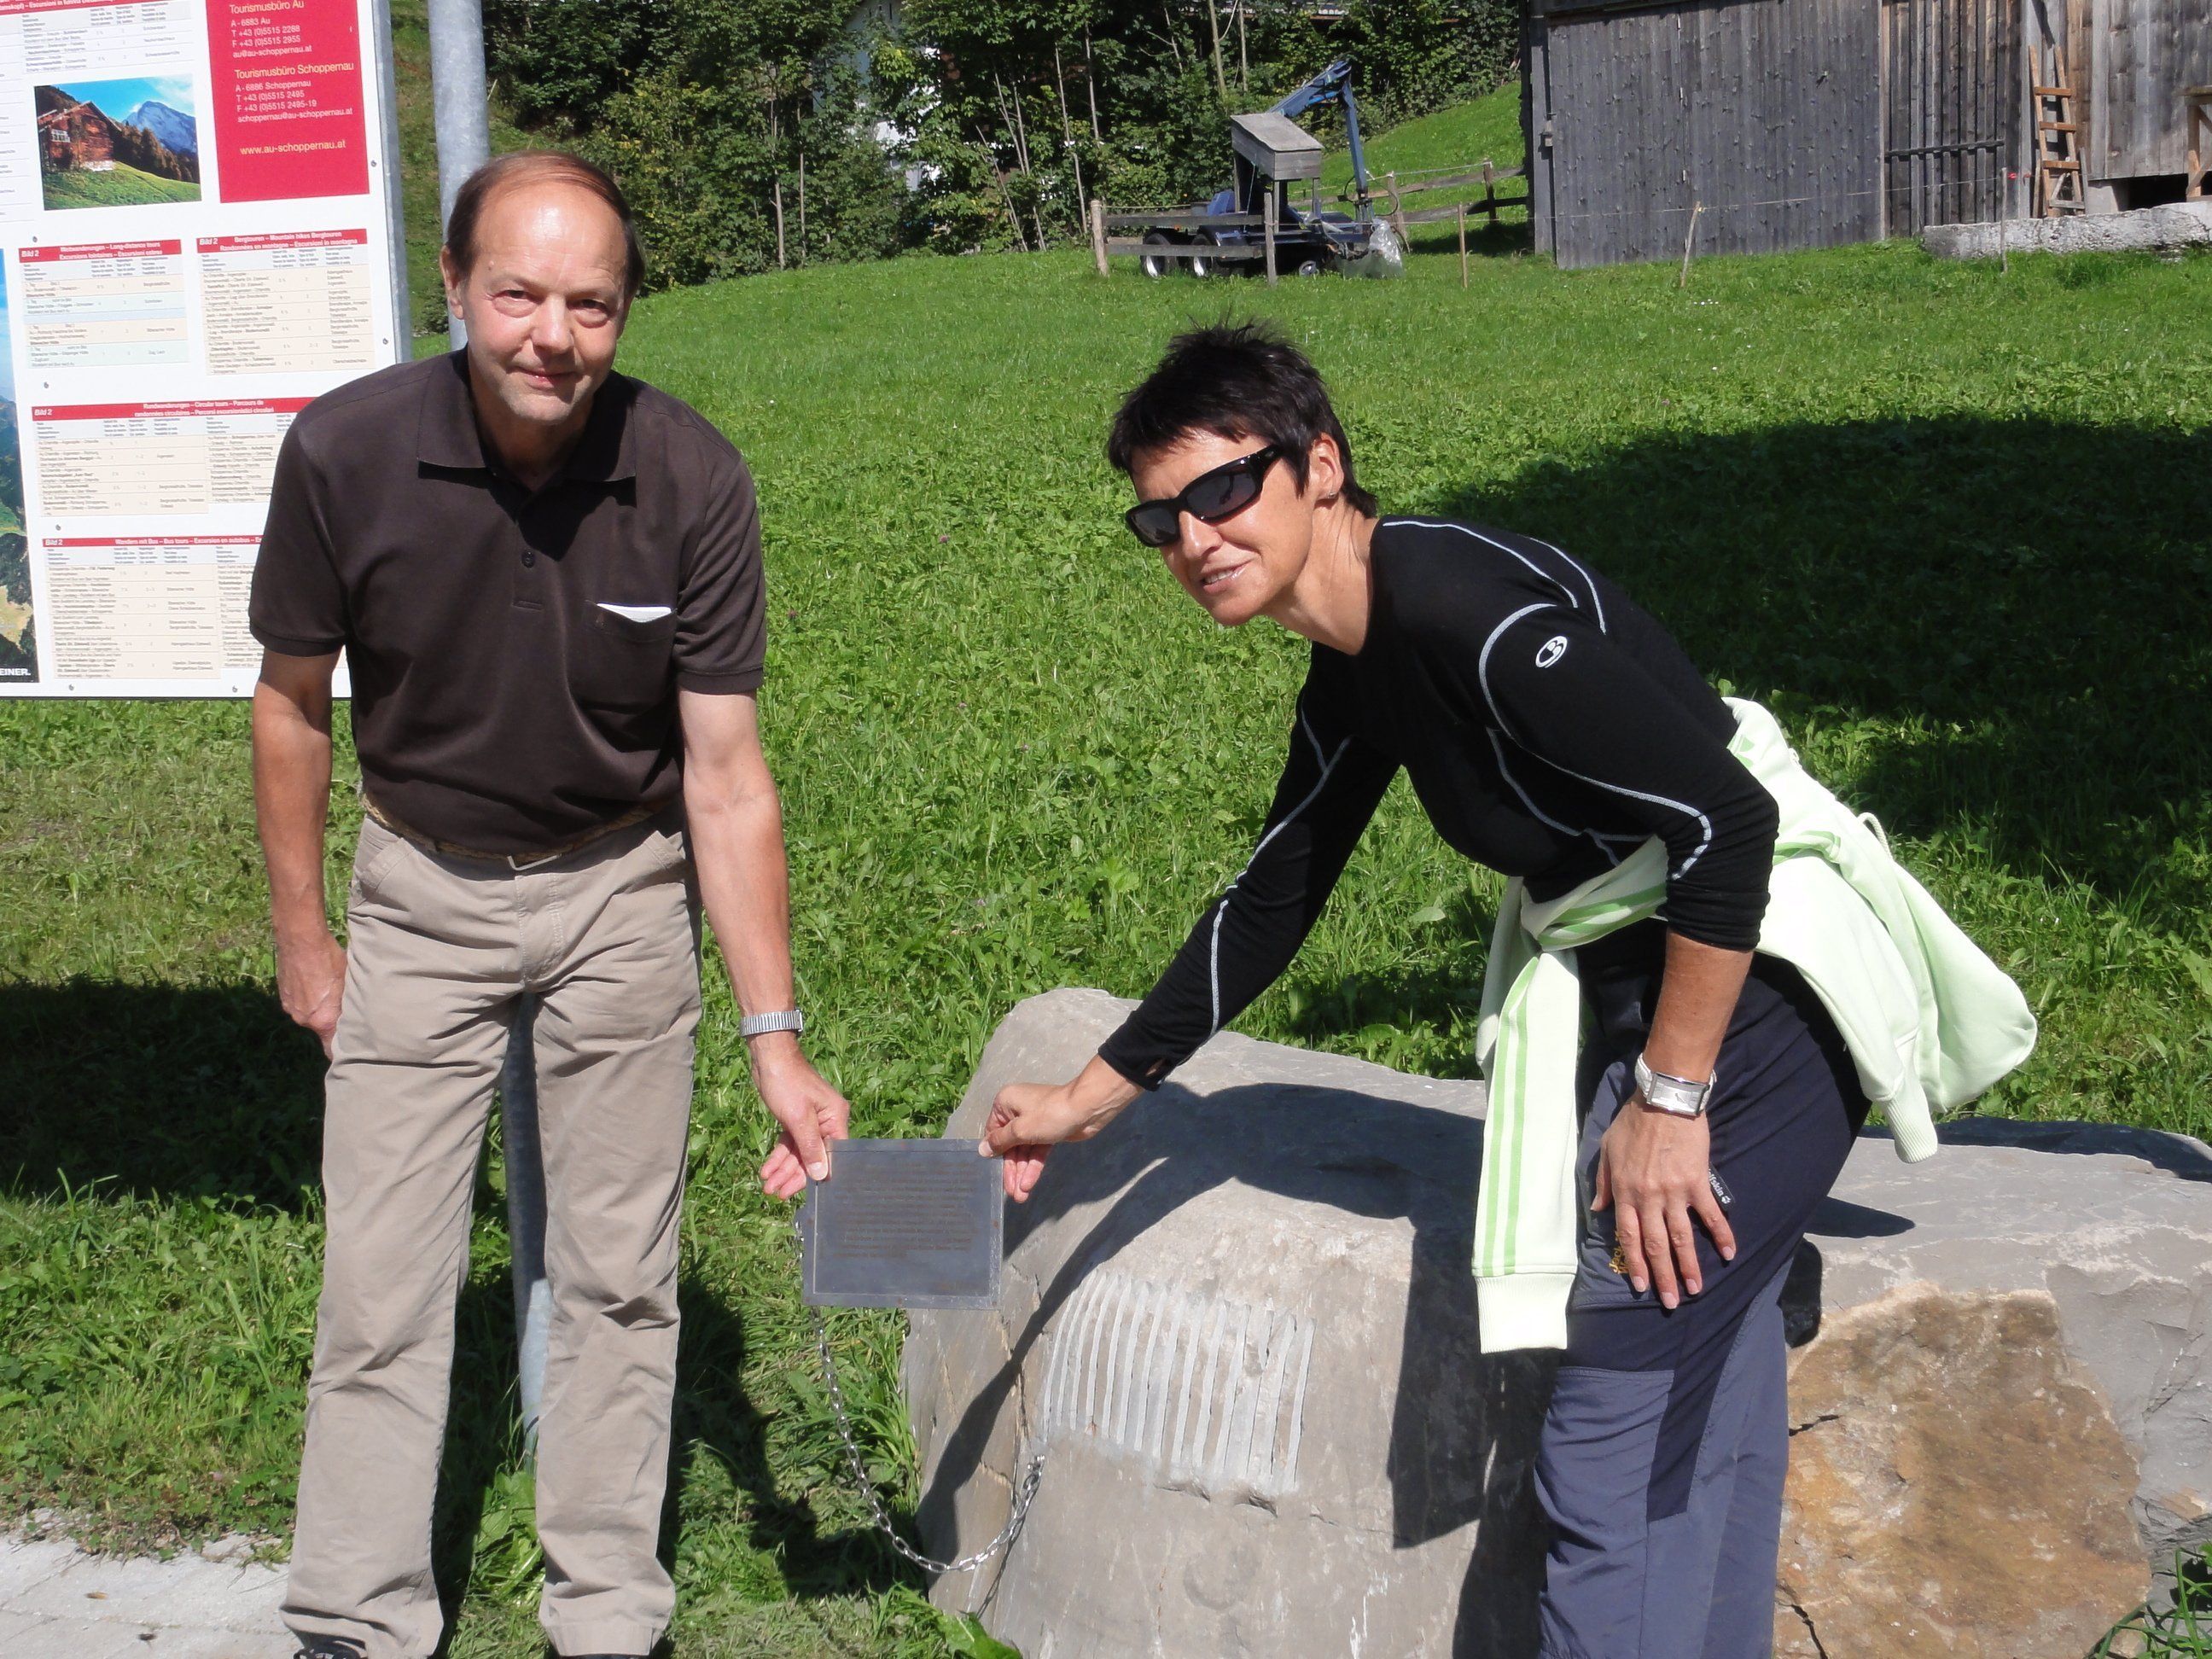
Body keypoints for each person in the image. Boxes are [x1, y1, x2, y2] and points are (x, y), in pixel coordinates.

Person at [977, 323, 2034, 1656]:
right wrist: (1087, 1100)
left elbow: (1726, 824)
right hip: (1649, 984)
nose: (1193, 538)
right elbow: (1272, 901)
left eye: (1223, 488)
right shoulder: (1357, 665)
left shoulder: (1454, 609)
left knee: (1608, 1440)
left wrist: (1668, 1102)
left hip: (1760, 991)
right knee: (1698, 1406)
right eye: (1159, 518)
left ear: (1319, 466)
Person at [250, 151, 848, 1659]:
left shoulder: (691, 476)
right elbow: (291, 707)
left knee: (619, 1280)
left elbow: (726, 777)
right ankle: (355, 1616)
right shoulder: (342, 452)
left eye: (592, 305)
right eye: (517, 295)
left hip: (620, 895)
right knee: (381, 1284)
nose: (553, 337)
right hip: (418, 891)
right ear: (453, 284)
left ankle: (607, 1613)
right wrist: (307, 940)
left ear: (626, 311)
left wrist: (776, 1038)